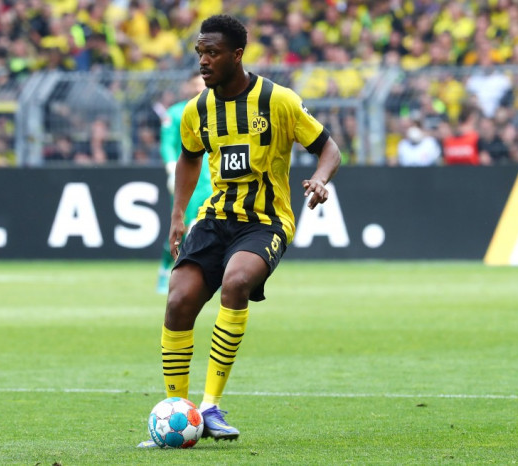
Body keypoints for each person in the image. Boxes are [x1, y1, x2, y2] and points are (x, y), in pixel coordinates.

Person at [138, 14, 341, 448]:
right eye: (199, 53)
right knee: (178, 300)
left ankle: (210, 406)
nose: (203, 61)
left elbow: (329, 148)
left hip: (265, 221)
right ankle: (180, 409)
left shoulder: (278, 101)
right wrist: (178, 215)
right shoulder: (196, 110)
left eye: (212, 53)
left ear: (237, 54)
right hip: (215, 218)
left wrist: (321, 179)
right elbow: (189, 157)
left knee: (236, 282)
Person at [156, 72, 212, 294]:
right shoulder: (176, 113)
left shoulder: (220, 110)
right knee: (182, 230)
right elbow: (167, 144)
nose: (199, 88)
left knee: (212, 229)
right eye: (195, 84)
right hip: (188, 181)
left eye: (203, 84)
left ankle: (211, 276)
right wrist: (172, 168)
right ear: (188, 87)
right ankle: (165, 272)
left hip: (213, 180)